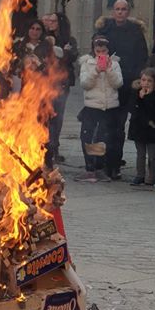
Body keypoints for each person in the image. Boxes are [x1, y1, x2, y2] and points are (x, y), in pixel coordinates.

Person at [94, 0, 148, 166]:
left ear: (128, 12)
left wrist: (136, 78)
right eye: (117, 9)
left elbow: (142, 56)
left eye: (123, 9)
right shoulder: (105, 29)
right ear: (113, 11)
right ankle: (96, 161)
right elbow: (95, 50)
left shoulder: (135, 32)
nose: (120, 12)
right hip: (104, 84)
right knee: (100, 126)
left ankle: (114, 162)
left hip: (126, 84)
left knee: (118, 126)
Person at [76, 34, 123, 182]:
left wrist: (108, 70)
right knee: (88, 137)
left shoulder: (114, 64)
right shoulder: (87, 63)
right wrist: (96, 70)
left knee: (103, 139)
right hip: (92, 106)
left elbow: (118, 84)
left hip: (108, 107)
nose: (101, 54)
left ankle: (99, 168)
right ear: (94, 50)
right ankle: (90, 168)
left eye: (104, 51)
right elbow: (85, 84)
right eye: (98, 51)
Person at [42, 11, 78, 163]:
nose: (50, 23)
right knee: (44, 117)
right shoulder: (44, 38)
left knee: (57, 117)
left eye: (54, 21)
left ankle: (55, 147)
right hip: (44, 82)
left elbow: (71, 56)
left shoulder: (69, 39)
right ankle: (45, 148)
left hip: (61, 82)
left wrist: (59, 50)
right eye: (49, 21)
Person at [128, 67, 155, 186]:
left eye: (149, 81)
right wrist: (140, 98)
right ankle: (140, 175)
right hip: (138, 128)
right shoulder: (135, 93)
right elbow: (133, 109)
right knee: (140, 154)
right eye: (143, 80)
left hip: (152, 129)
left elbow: (154, 111)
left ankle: (153, 177)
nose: (146, 83)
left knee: (153, 156)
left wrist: (147, 97)